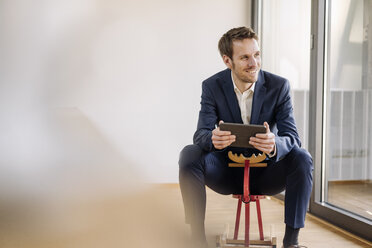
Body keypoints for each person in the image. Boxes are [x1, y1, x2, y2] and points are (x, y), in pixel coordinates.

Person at [178, 27, 313, 248]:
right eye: (245, 57)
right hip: (226, 172)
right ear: (227, 60)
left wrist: (274, 144)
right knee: (189, 154)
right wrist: (212, 139)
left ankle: (292, 242)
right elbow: (200, 134)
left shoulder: (279, 86)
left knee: (302, 157)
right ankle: (197, 240)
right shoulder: (211, 86)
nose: (254, 63)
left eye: (257, 55)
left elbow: (292, 138)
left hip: (267, 173)